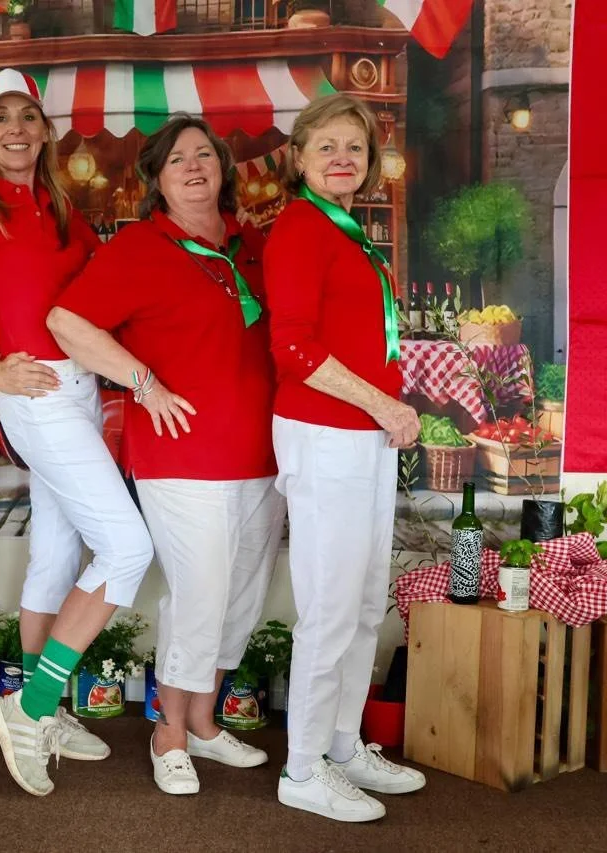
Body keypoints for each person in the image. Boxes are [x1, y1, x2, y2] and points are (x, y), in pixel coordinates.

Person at [0, 68, 154, 797]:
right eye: (0, 118)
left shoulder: (60, 204)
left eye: (28, 117)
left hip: (78, 390)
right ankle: (29, 704)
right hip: (34, 390)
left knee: (54, 553)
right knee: (128, 545)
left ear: (46, 131)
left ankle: (48, 706)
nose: (15, 129)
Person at [48, 115, 283, 796]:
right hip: (181, 457)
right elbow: (66, 323)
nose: (193, 166)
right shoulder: (139, 248)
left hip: (260, 455)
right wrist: (142, 383)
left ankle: (205, 723)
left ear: (224, 169)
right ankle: (168, 731)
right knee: (200, 596)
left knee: (241, 597)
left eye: (205, 155)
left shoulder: (253, 244)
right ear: (155, 178)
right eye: (177, 158)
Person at [264, 93, 426, 822]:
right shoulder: (300, 229)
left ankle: (340, 741)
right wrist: (385, 404)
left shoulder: (347, 231)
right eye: (325, 146)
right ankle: (301, 769)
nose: (341, 159)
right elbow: (292, 348)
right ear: (299, 157)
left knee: (362, 605)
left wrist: (382, 409)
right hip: (326, 433)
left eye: (354, 149)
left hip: (360, 435)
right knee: (329, 609)